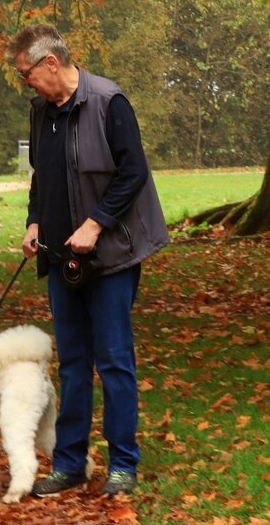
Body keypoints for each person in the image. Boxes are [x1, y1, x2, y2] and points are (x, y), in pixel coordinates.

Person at [9, 24, 169, 498]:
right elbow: (42, 176)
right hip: (61, 258)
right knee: (73, 363)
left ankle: (123, 465)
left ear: (51, 64)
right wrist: (35, 223)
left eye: (27, 75)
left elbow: (134, 172)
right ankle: (70, 463)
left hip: (111, 256)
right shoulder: (41, 113)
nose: (26, 84)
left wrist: (96, 224)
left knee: (114, 361)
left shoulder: (108, 102)